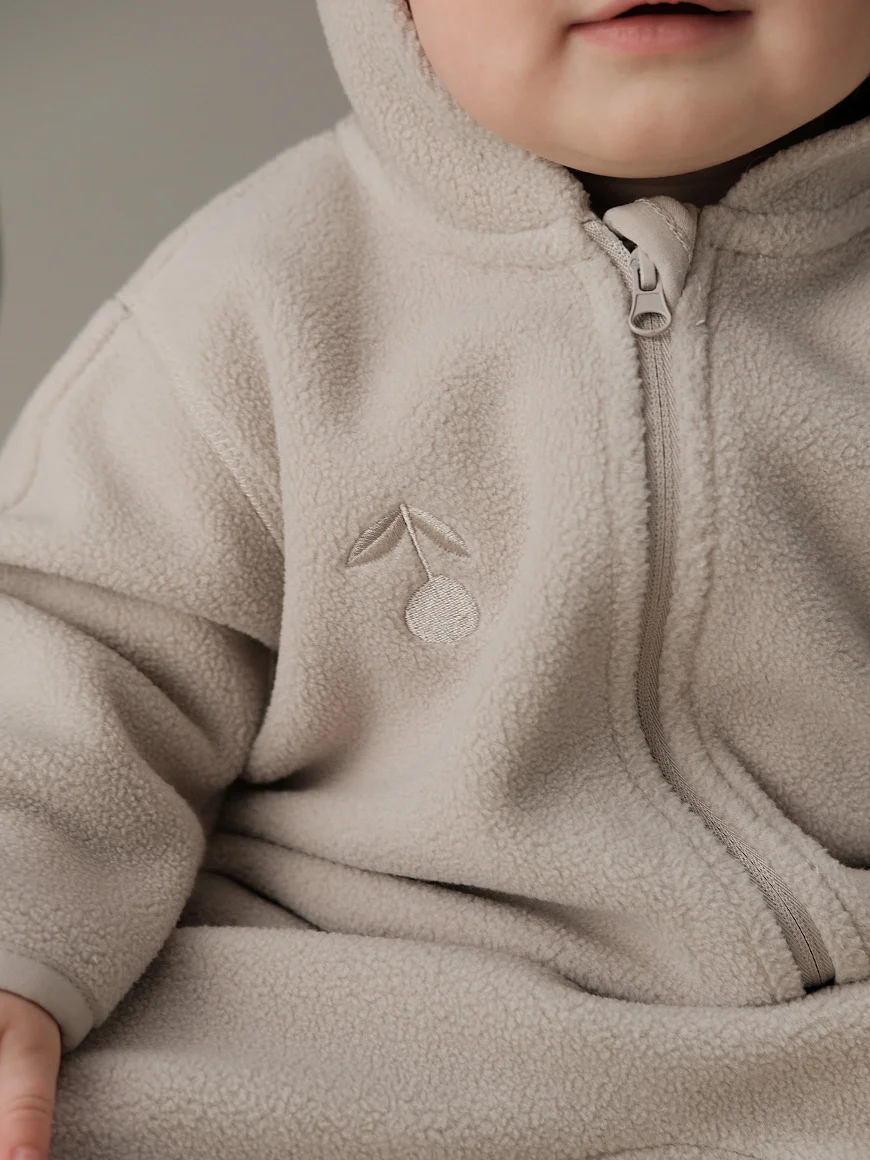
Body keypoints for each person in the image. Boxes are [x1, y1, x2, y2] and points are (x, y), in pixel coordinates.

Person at [1, 1, 869, 1157]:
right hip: (370, 1026)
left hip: (830, 1058)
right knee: (78, 1102)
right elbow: (64, 659)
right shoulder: (260, 298)